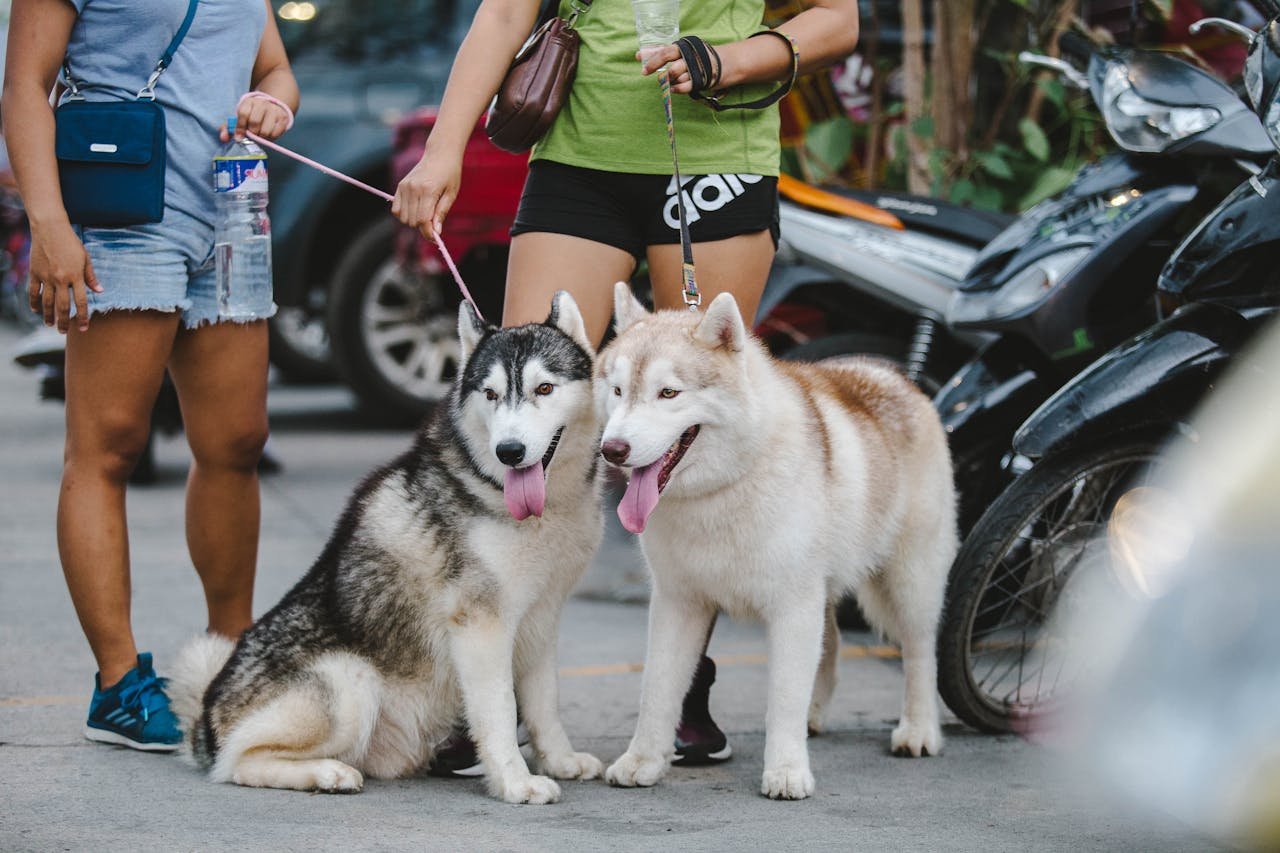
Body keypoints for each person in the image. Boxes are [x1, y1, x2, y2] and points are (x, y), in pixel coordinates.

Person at [393, 0, 859, 769]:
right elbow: (507, 13)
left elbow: (837, 22)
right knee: (531, 407)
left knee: (689, 422)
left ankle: (685, 686)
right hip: (580, 156)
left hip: (717, 155)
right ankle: (487, 696)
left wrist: (729, 59)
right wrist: (444, 150)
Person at [2, 0, 298, 751]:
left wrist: (272, 104)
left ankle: (233, 656)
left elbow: (274, 70)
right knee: (109, 444)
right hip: (123, 208)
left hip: (231, 211)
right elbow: (24, 85)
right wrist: (50, 224)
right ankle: (119, 681)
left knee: (236, 441)